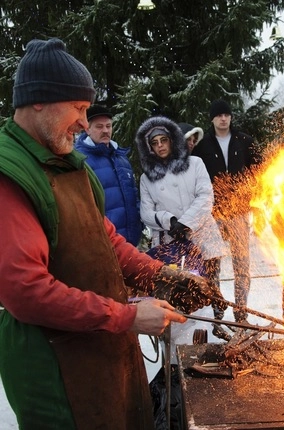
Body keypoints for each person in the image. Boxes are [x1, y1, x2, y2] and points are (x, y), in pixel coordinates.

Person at [0, 38, 223, 430]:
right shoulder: (10, 175)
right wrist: (127, 316)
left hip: (104, 349)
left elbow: (108, 243)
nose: (85, 123)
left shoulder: (70, 163)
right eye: (79, 109)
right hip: (56, 369)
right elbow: (27, 292)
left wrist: (162, 276)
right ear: (39, 101)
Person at [136, 116, 227, 320]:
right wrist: (170, 221)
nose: (160, 146)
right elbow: (146, 212)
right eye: (154, 142)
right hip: (172, 243)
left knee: (209, 290)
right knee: (176, 292)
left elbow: (205, 196)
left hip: (203, 237)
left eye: (164, 140)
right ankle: (174, 341)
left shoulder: (195, 163)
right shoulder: (147, 177)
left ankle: (215, 329)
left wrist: (186, 223)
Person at [192, 99, 260, 322]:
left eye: (226, 114)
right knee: (213, 264)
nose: (223, 118)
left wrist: (251, 194)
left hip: (239, 212)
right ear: (212, 118)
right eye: (219, 115)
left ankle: (241, 311)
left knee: (242, 263)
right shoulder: (203, 147)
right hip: (214, 214)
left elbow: (258, 169)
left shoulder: (244, 141)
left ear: (231, 117)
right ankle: (218, 310)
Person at [75, 104, 143, 246]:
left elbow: (133, 195)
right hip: (104, 243)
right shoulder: (80, 160)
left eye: (108, 126)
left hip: (131, 241)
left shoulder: (121, 158)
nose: (105, 130)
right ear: (87, 129)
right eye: (99, 127)